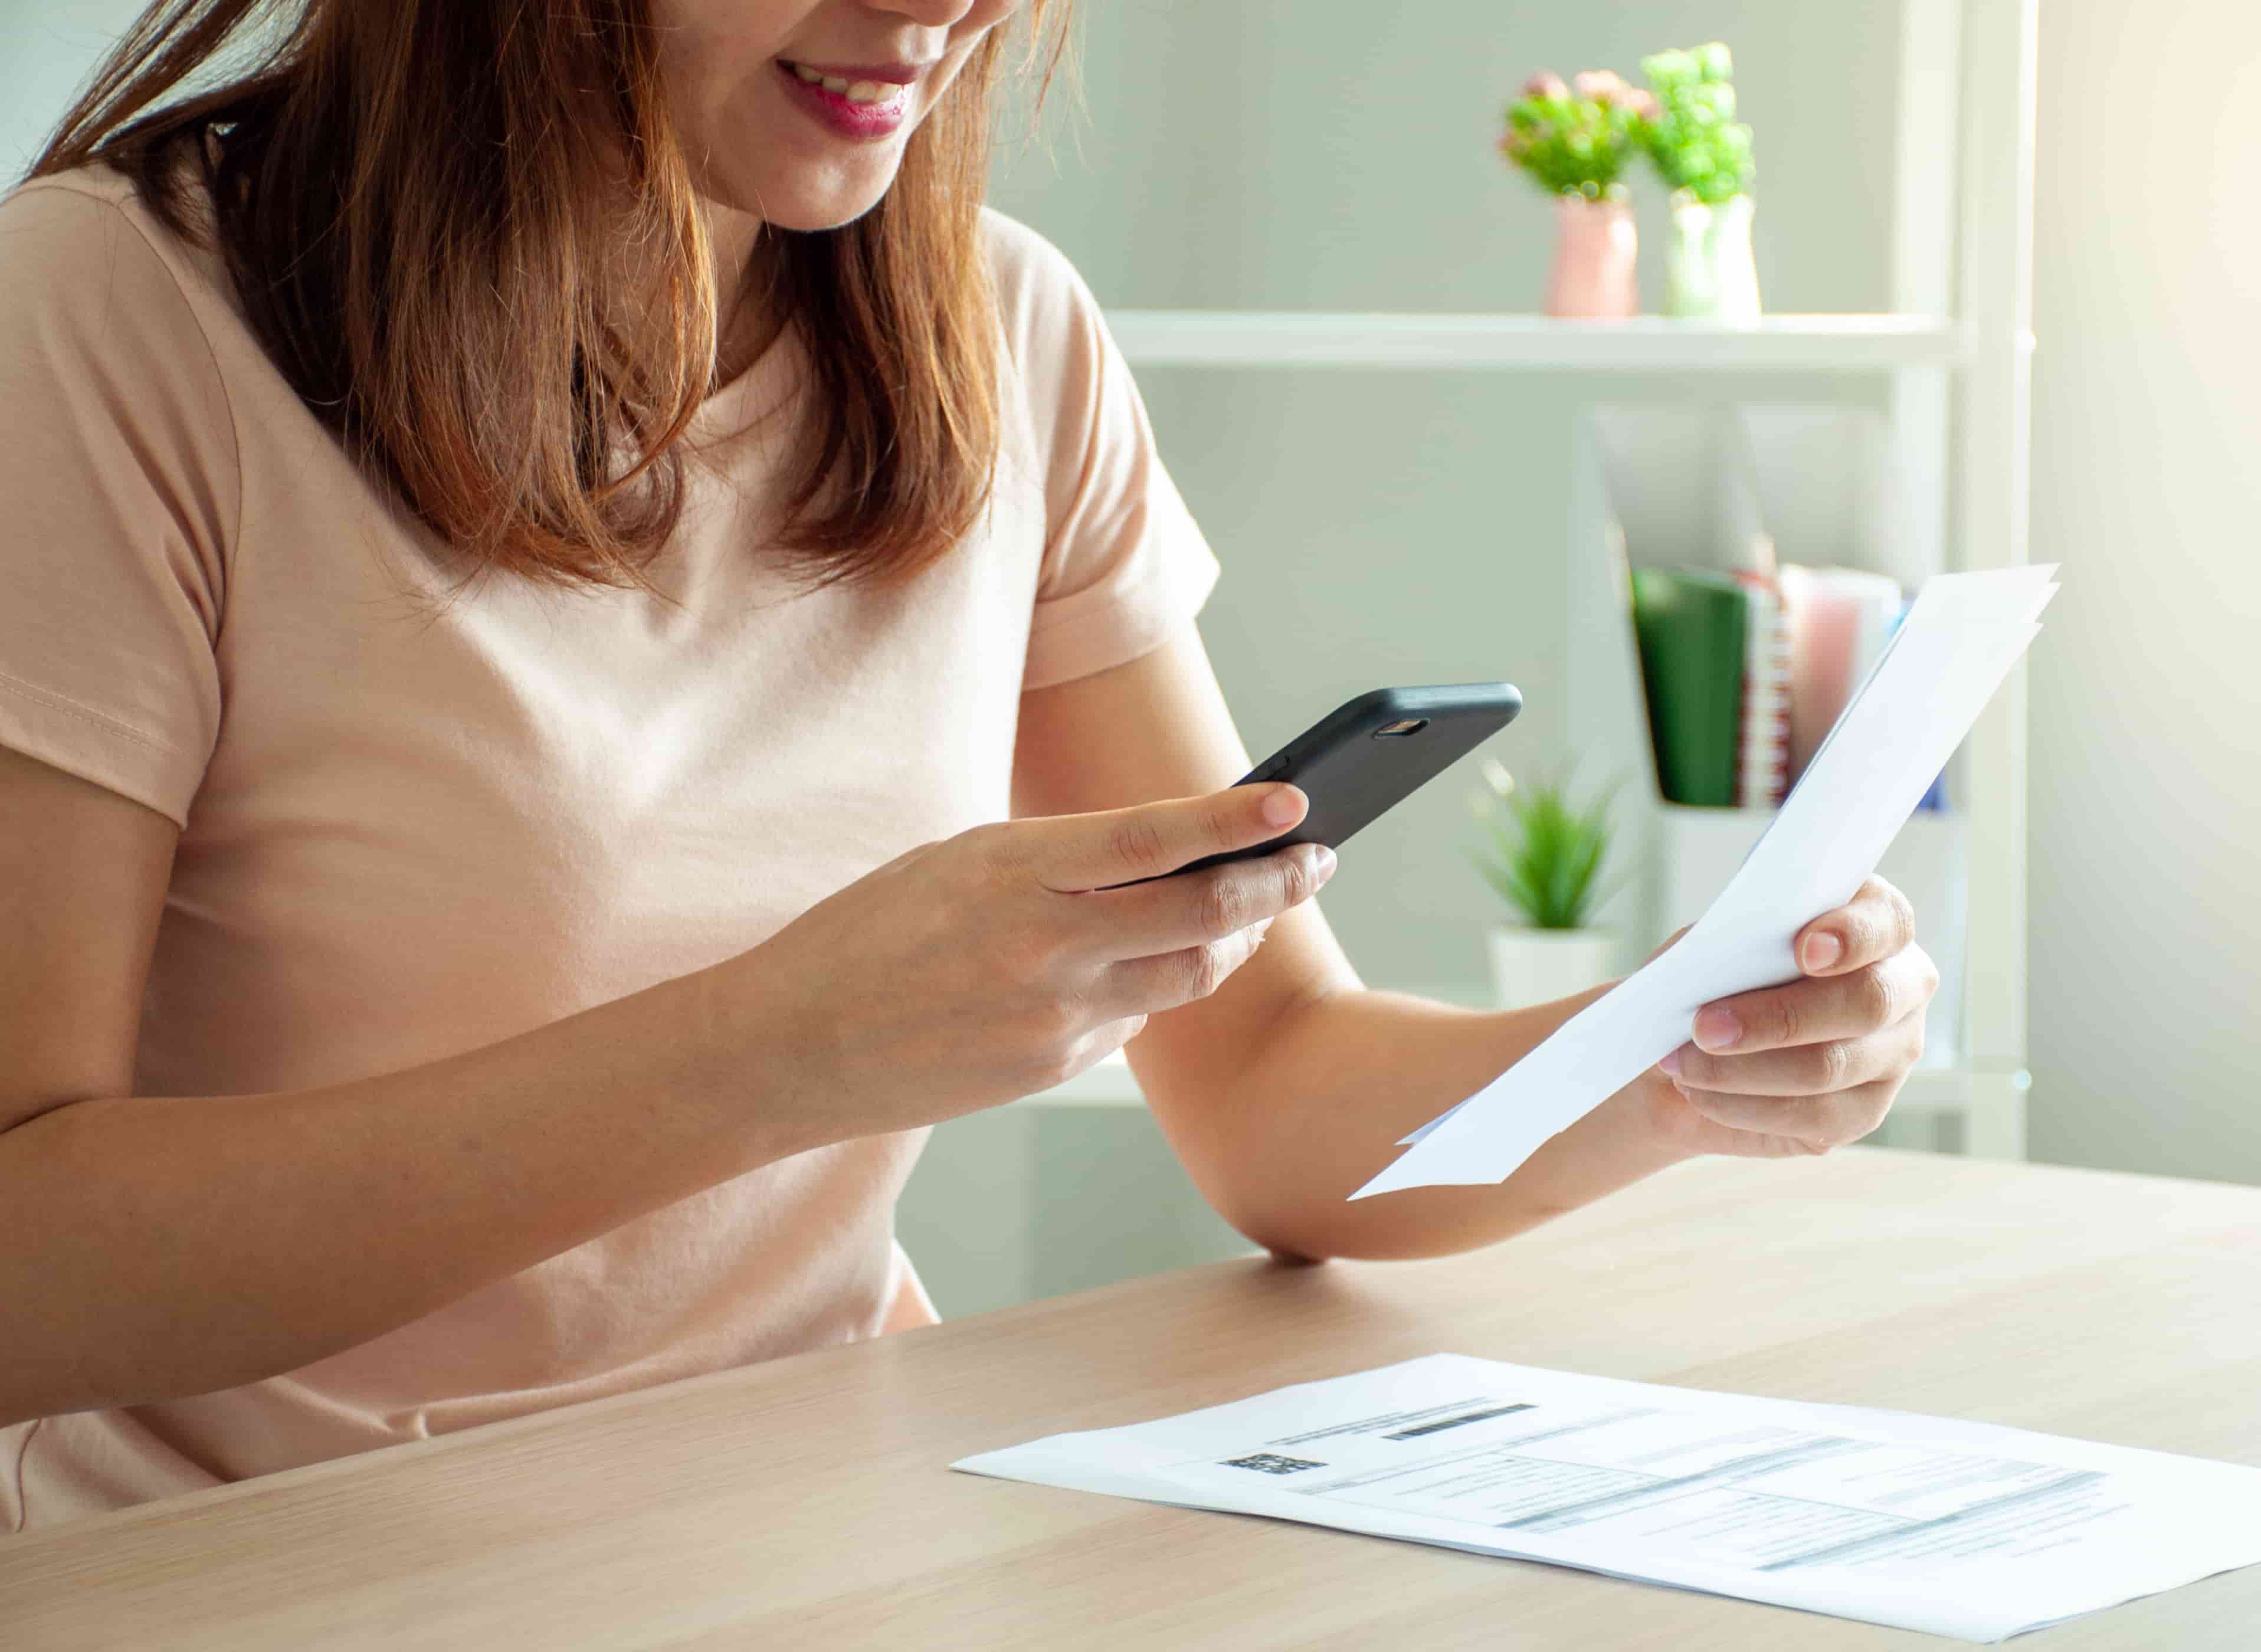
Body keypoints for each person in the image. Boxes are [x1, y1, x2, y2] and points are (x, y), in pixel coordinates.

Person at [0, 0, 1938, 1533]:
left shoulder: (997, 332)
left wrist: (1676, 1055)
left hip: (842, 1529)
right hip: (264, 1569)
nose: (948, 6)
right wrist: (778, 1046)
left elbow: (1273, 1098)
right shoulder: (105, 318)